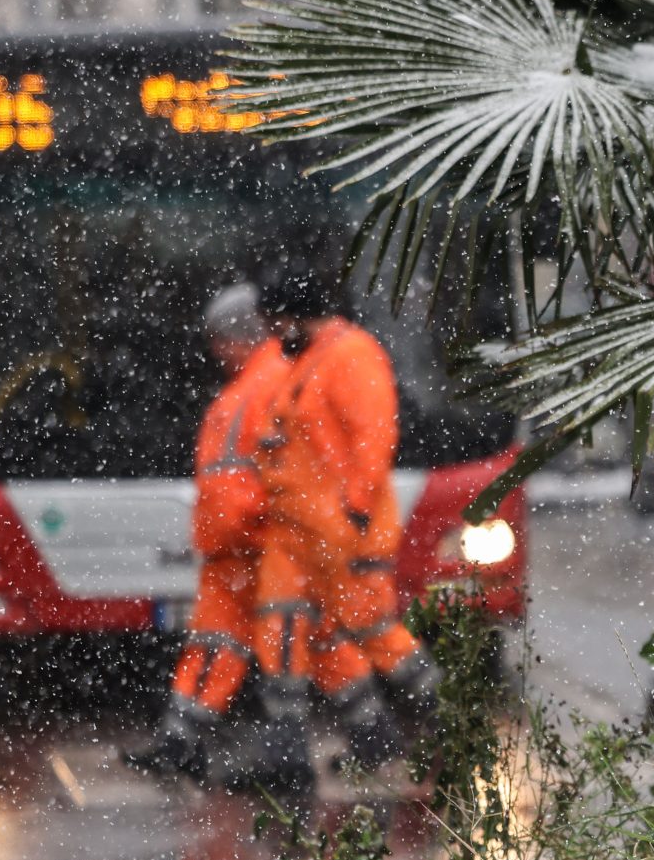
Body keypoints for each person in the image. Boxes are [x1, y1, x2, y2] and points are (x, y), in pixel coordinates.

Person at [232, 255, 434, 788]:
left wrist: (356, 510)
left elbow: (373, 438)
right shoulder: (306, 359)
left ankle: (449, 722)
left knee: (373, 632)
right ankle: (290, 756)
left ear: (296, 315)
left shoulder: (350, 356)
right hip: (296, 531)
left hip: (339, 532)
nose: (270, 334)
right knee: (282, 630)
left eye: (274, 322)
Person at [125, 281, 289, 781]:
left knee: (291, 643)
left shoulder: (271, 384)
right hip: (232, 546)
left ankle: (299, 754)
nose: (215, 352)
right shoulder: (247, 388)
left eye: (219, 340)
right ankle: (180, 741)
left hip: (255, 544)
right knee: (214, 643)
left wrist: (255, 523)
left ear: (238, 337)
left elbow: (280, 466)